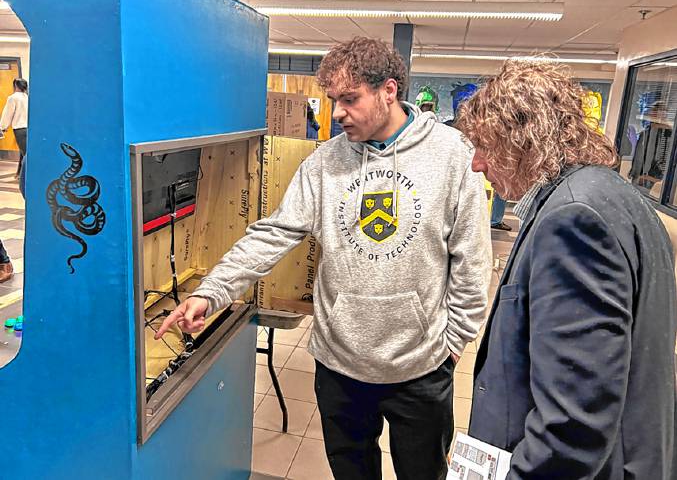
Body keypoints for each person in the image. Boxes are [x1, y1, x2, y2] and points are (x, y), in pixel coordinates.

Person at [157, 36, 492, 480]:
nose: (337, 113)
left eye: (350, 99)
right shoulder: (324, 163)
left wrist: (453, 345)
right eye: (333, 100)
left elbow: (472, 258)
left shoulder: (451, 155)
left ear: (388, 91)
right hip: (339, 365)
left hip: (421, 367)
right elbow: (274, 233)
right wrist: (213, 292)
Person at [456, 59, 676, 479]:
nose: (477, 165)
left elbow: (573, 423)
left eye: (484, 147)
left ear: (521, 141)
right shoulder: (612, 194)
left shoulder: (574, 219)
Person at [0, 78, 28, 179]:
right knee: (23, 152)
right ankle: (19, 174)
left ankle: (26, 176)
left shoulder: (13, 98)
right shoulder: (27, 97)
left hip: (19, 129)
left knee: (25, 153)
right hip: (28, 128)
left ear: (15, 86)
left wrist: (3, 127)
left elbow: (8, 113)